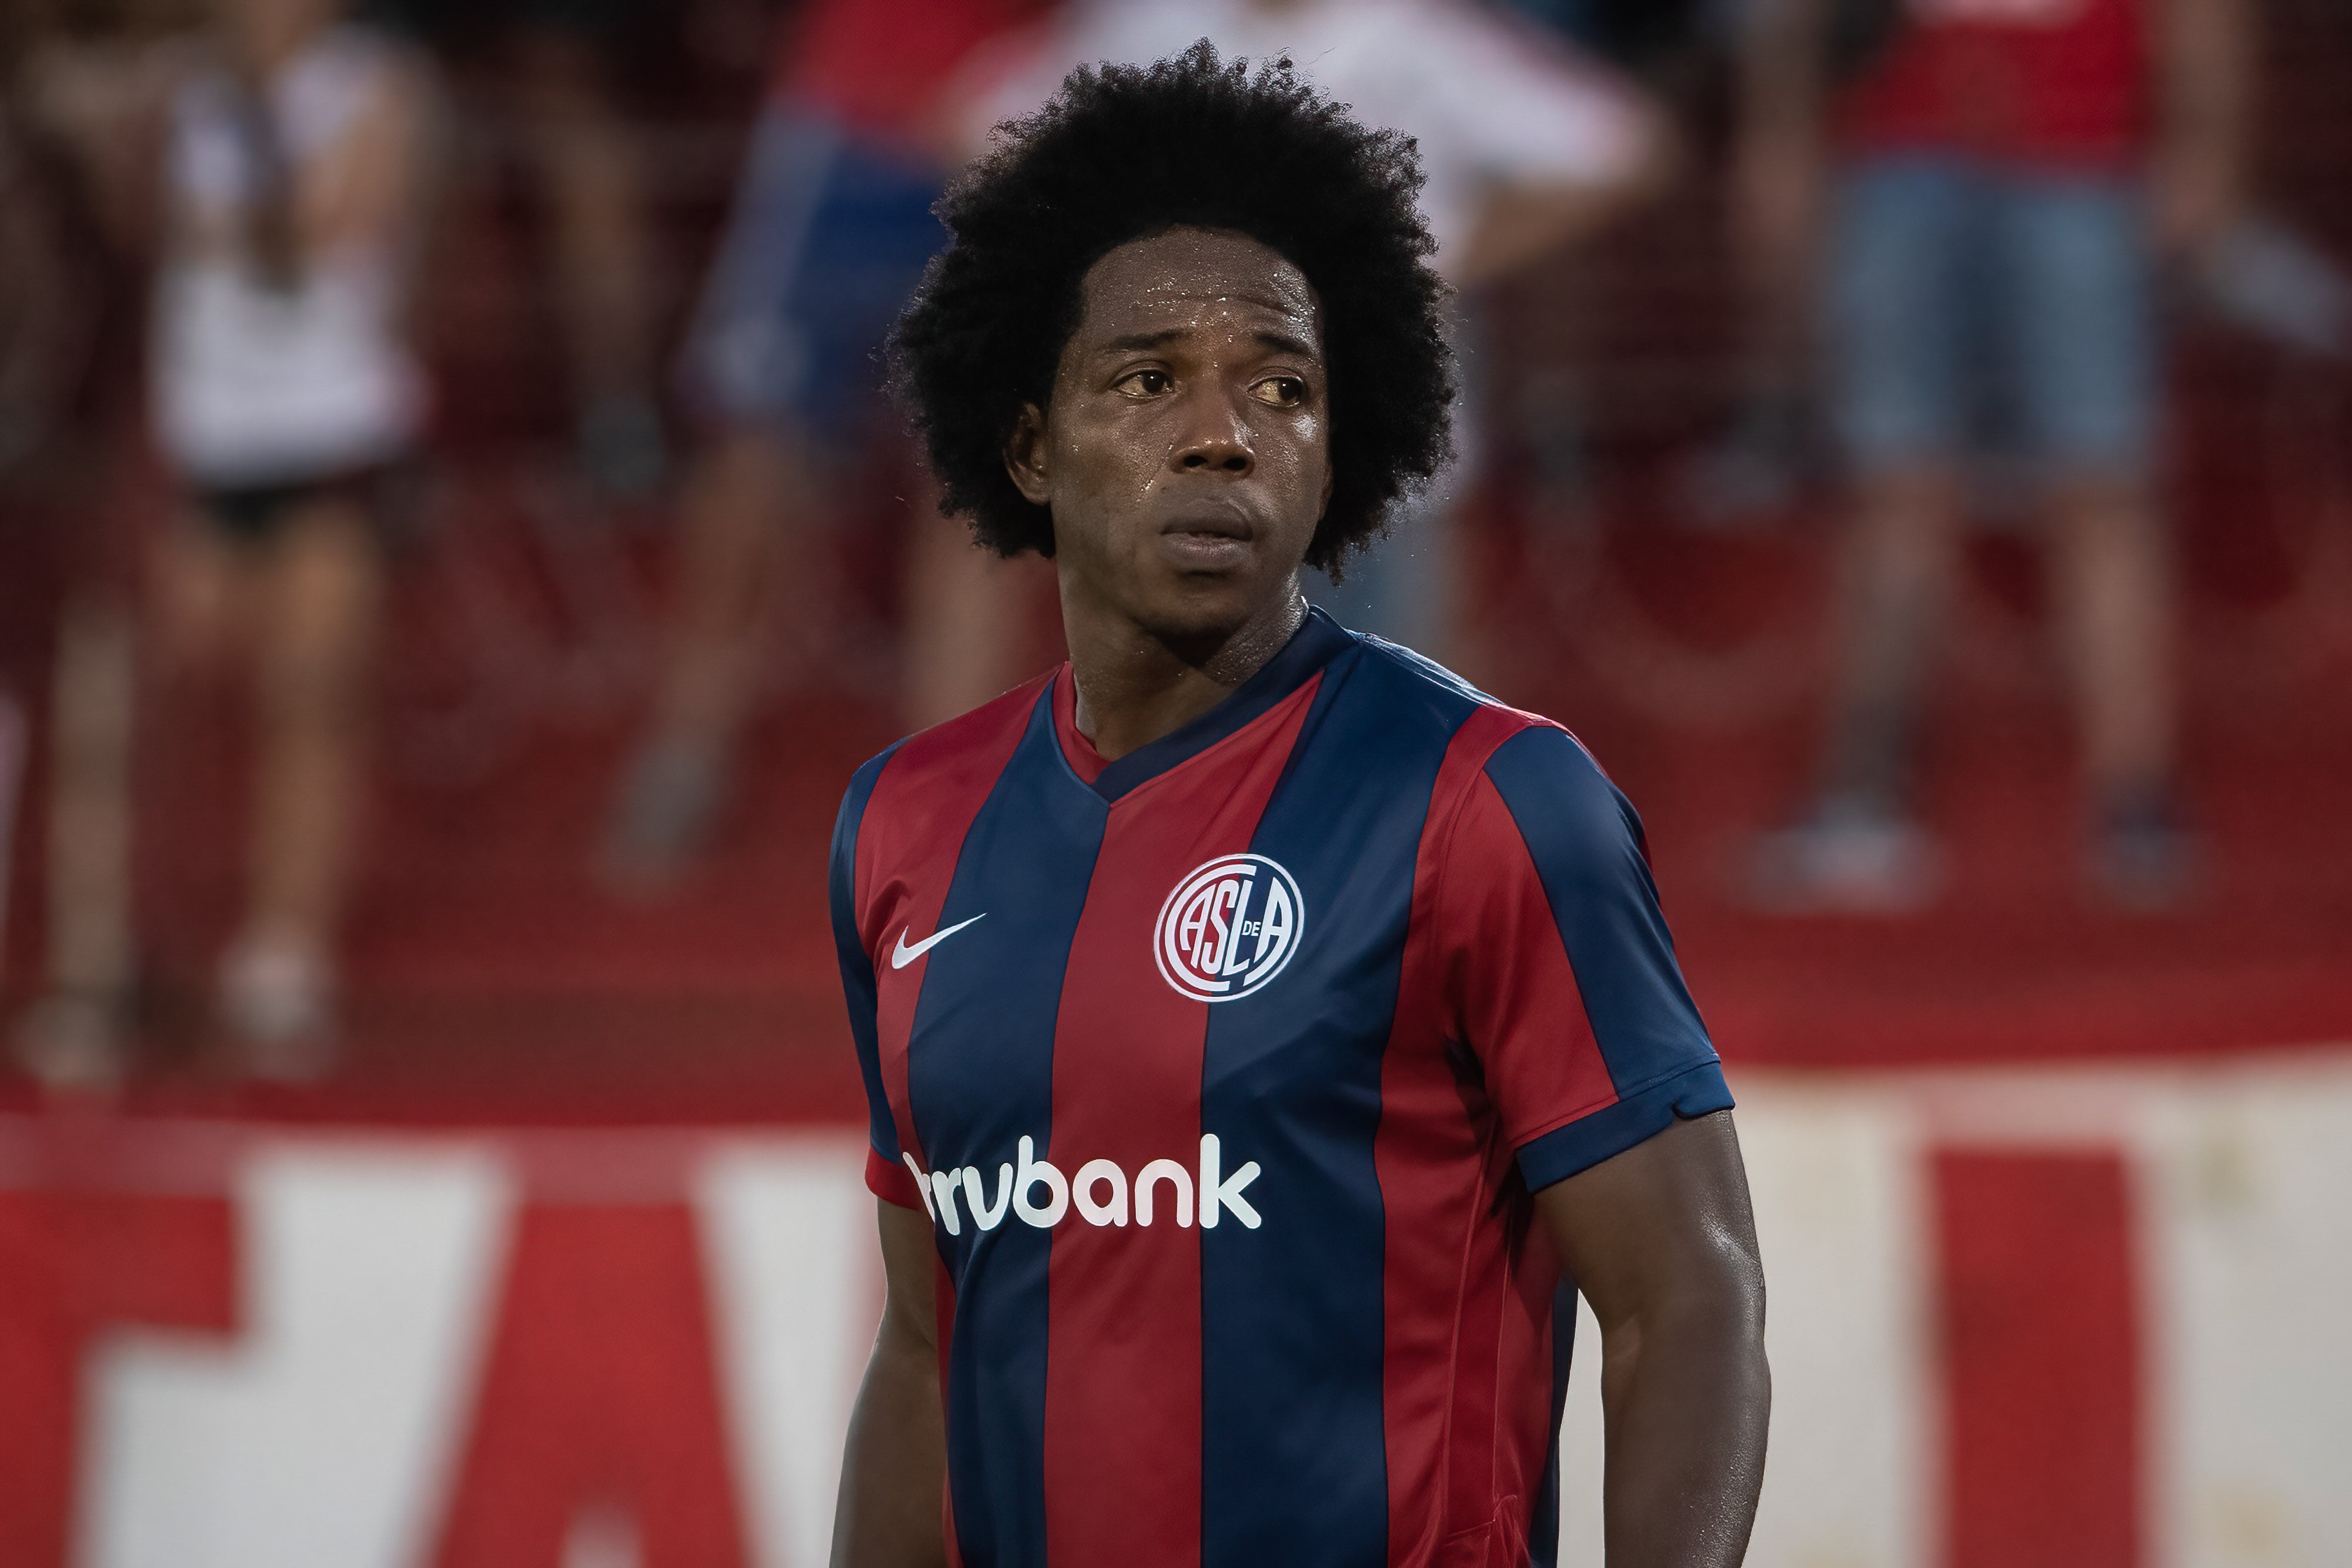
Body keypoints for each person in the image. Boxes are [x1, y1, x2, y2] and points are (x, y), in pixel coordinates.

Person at [829, 47, 1768, 1567]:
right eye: (1149, 380)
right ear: (1030, 444)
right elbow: (925, 1352)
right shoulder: (904, 827)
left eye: (1282, 387)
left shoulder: (1491, 799)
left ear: (1337, 451)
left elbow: (1689, 1297)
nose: (1224, 432)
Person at [950, 0, 1672, 671]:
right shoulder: (1150, 25)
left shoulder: (1418, 34)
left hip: (1372, 452)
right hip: (1183, 456)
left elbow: (1622, 145)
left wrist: (1452, 257)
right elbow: (978, 124)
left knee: (1391, 712)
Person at [1738, 0, 2250, 910]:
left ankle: (2136, 798)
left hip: (2077, 149)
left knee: (2100, 484)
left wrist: (2206, 139)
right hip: (1902, 142)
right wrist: (1780, 133)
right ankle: (1863, 793)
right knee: (1894, 479)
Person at [601, 0, 1043, 882]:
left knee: (984, 476)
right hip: (854, 122)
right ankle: (687, 741)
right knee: (756, 454)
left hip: (1016, 125)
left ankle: (955, 794)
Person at [145, 0, 430, 1068]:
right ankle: (165, 933)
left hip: (327, 431)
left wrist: (192, 213)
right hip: (209, 434)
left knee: (312, 691)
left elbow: (337, 224)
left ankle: (287, 947)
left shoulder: (372, 86)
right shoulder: (177, 89)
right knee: (187, 684)